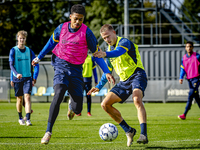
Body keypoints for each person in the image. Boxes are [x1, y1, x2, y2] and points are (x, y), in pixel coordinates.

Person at [31, 4, 115, 145]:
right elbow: (51, 43)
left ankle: (71, 106)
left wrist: (106, 71)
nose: (77, 22)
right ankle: (48, 131)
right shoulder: (61, 28)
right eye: (75, 19)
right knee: (58, 94)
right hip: (61, 66)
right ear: (70, 17)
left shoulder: (87, 33)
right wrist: (38, 57)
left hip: (76, 70)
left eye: (81, 20)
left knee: (78, 109)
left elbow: (97, 55)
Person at [88, 24, 148, 147]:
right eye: (104, 38)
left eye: (108, 36)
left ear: (114, 32)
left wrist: (104, 54)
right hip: (124, 81)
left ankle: (143, 135)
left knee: (136, 99)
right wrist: (99, 86)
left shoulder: (124, 42)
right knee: (105, 104)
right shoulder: (109, 51)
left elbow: (118, 52)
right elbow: (107, 72)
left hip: (137, 74)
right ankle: (129, 130)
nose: (107, 40)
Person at [9, 30, 39, 126]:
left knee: (27, 97)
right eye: (20, 38)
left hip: (27, 78)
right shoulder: (13, 50)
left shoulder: (29, 51)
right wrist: (15, 75)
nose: (22, 40)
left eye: (24, 38)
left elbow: (36, 64)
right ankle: (20, 117)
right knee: (19, 99)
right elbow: (11, 65)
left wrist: (34, 76)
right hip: (17, 78)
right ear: (17, 39)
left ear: (25, 40)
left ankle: (28, 120)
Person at [178, 41, 200, 120]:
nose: (189, 48)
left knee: (190, 95)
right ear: (185, 48)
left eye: (190, 46)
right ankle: (184, 114)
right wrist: (181, 77)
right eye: (187, 46)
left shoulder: (197, 56)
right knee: (196, 97)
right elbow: (182, 69)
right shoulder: (184, 58)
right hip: (189, 80)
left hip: (196, 79)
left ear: (193, 47)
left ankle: (184, 114)